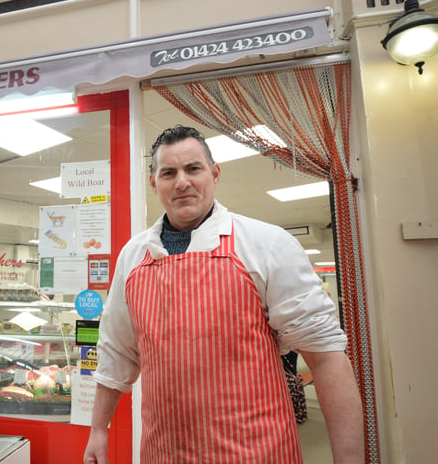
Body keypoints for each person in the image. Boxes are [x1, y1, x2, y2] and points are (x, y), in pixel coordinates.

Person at [83, 125, 363, 463]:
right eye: (168, 172)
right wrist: (99, 428)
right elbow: (116, 352)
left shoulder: (267, 244)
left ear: (215, 174)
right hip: (163, 452)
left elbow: (325, 357)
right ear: (154, 184)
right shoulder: (132, 256)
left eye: (193, 168)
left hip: (256, 452)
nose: (182, 182)